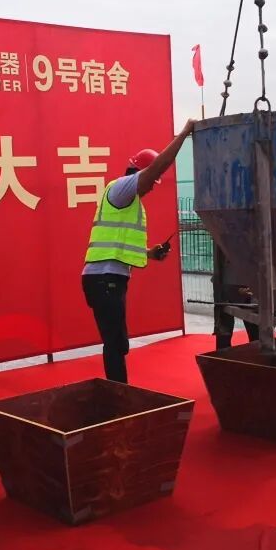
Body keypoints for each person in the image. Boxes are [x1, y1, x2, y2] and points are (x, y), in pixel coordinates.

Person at [82, 119, 196, 383]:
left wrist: (150, 253)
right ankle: (119, 394)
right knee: (115, 343)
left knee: (117, 342)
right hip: (104, 280)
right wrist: (184, 133)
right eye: (152, 180)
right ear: (139, 172)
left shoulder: (128, 201)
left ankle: (118, 391)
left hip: (106, 278)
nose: (154, 185)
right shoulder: (121, 188)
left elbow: (117, 246)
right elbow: (159, 165)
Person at [214, 285, 260, 350]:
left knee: (255, 331)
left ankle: (257, 347)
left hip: (245, 291)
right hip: (227, 290)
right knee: (224, 329)